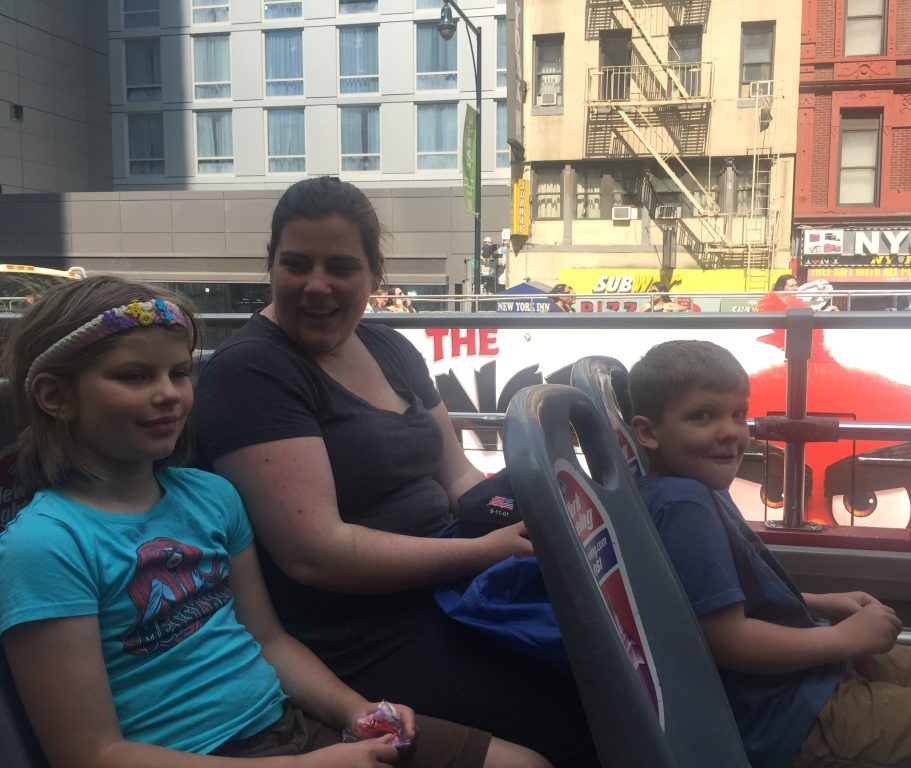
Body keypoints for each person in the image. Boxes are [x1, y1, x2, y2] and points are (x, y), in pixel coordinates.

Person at [0, 276, 548, 768]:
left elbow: (268, 641)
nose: (168, 394)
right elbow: (91, 754)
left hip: (291, 726)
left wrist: (357, 711)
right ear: (54, 395)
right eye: (134, 376)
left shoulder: (211, 498)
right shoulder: (44, 547)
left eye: (178, 372)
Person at [193, 177, 596, 766]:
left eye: (341, 266)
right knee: (575, 708)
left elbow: (457, 477)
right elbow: (317, 554)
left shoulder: (389, 348)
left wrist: (516, 517)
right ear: (270, 265)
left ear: (375, 273)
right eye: (296, 264)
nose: (316, 286)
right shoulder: (251, 374)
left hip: (452, 591)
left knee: (608, 656)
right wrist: (486, 552)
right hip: (358, 634)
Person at [628, 339, 911, 768]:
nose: (730, 431)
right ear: (648, 432)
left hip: (804, 677)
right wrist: (842, 639)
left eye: (738, 414)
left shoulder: (701, 487)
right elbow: (729, 640)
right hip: (791, 715)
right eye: (702, 415)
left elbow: (718, 597)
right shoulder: (684, 504)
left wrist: (819, 603)